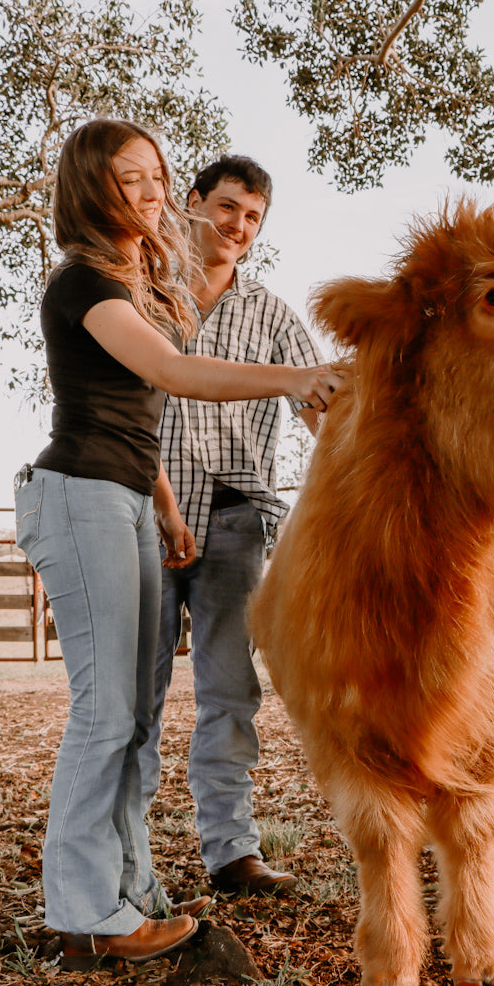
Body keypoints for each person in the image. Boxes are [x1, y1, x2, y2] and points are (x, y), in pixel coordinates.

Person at [13, 121, 341, 965]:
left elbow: (135, 419)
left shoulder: (135, 278)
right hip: (80, 496)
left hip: (128, 499)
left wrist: (161, 503)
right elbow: (172, 375)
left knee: (133, 715)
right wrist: (292, 379)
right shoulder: (86, 281)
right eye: (134, 179)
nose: (152, 192)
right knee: (111, 713)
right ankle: (86, 911)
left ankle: (129, 888)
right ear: (92, 186)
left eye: (157, 175)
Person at [138, 156, 321, 895]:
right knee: (130, 695)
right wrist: (159, 507)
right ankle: (125, 859)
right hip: (141, 516)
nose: (237, 227)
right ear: (190, 204)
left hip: (237, 519)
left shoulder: (273, 314)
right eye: (227, 207)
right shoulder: (142, 294)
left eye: (252, 218)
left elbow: (320, 407)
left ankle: (232, 852)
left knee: (229, 691)